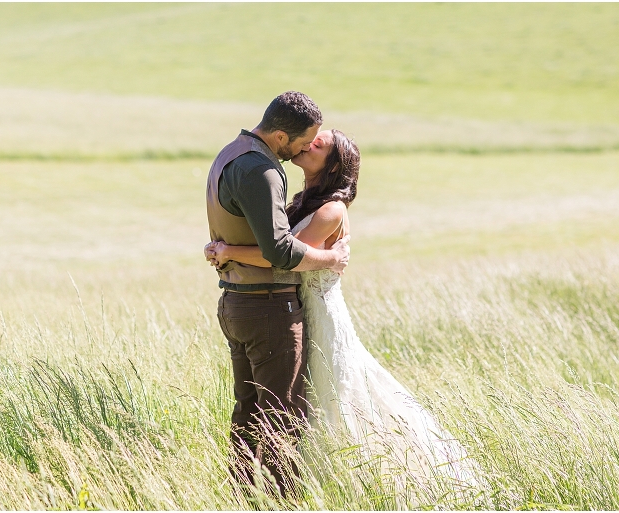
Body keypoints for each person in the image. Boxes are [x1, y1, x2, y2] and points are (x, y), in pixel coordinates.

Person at [206, 128, 478, 492]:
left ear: (334, 166)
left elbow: (284, 260)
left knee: (330, 405)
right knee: (293, 406)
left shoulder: (331, 210)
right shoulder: (303, 201)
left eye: (321, 143)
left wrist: (229, 251)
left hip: (318, 315)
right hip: (296, 310)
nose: (310, 142)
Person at [204, 92, 350, 498]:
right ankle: (281, 502)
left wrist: (227, 251)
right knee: (284, 416)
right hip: (268, 307)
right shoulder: (262, 169)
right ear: (282, 135)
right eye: (305, 141)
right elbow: (281, 252)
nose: (306, 148)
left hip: (238, 301)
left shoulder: (230, 154)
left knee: (249, 411)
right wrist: (327, 258)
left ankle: (244, 498)